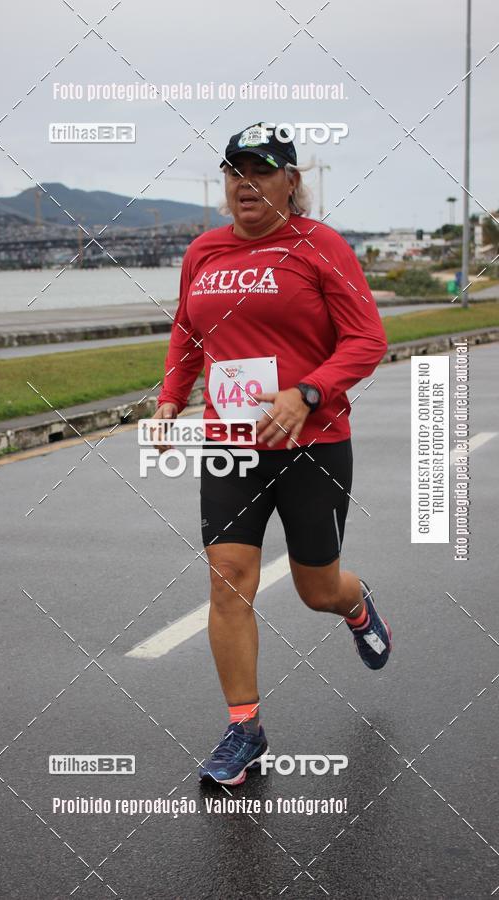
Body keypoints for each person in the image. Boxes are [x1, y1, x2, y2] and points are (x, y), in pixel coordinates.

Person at [153, 122, 392, 787]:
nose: (244, 183)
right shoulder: (203, 251)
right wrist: (173, 395)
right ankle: (244, 728)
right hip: (232, 439)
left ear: (292, 180)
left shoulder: (321, 247)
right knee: (227, 576)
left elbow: (367, 340)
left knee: (318, 586)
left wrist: (309, 392)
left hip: (314, 441)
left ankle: (356, 606)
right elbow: (187, 334)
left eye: (260, 170)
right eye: (233, 171)